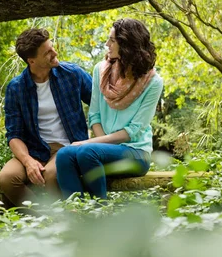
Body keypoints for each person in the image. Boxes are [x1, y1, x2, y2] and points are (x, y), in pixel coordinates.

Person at [56, 18, 163, 200]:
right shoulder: (101, 71)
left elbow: (133, 131)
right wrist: (99, 144)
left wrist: (91, 144)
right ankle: (76, 215)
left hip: (136, 153)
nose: (107, 44)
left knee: (86, 152)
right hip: (100, 150)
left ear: (127, 44)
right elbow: (95, 116)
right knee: (64, 155)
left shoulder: (153, 82)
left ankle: (100, 214)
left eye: (112, 40)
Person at [0, 28, 92, 208]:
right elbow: (14, 134)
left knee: (51, 175)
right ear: (31, 61)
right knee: (7, 178)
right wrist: (28, 161)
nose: (54, 53)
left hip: (66, 148)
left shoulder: (72, 74)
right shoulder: (16, 88)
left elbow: (101, 105)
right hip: (33, 150)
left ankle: (61, 223)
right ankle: (44, 220)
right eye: (48, 52)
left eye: (52, 47)